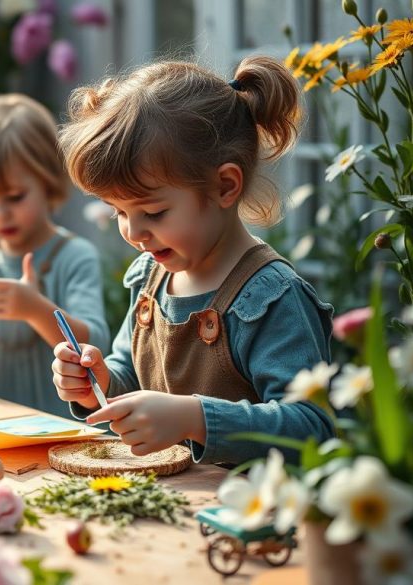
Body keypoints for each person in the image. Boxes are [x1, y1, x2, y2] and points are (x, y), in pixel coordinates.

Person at [52, 56, 335, 465]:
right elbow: (129, 372)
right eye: (119, 212)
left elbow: (312, 426)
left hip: (255, 517)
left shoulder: (271, 299)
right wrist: (100, 382)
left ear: (224, 186)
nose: (133, 232)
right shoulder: (151, 278)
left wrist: (196, 418)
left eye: (153, 212)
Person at [0, 94, 109, 418]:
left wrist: (34, 308)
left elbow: (95, 345)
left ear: (47, 180)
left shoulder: (74, 255)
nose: (0, 215)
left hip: (57, 429)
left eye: (14, 197)